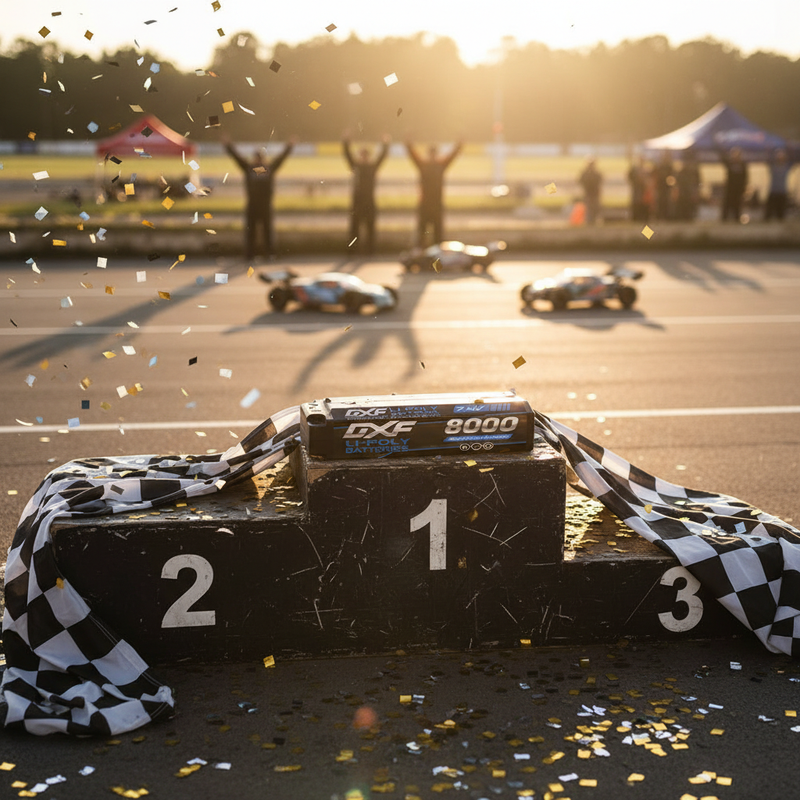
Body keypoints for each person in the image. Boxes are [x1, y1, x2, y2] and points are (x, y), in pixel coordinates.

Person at [223, 134, 295, 260]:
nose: (258, 161)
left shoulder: (264, 169)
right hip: (253, 204)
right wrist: (228, 145)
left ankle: (269, 253)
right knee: (251, 231)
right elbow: (236, 158)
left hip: (265, 204)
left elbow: (281, 159)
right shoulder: (251, 168)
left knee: (267, 231)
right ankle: (250, 254)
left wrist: (289, 146)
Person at [406, 139, 463, 246]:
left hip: (435, 204)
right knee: (423, 233)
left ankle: (435, 256)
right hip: (426, 204)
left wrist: (459, 144)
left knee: (437, 234)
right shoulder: (425, 165)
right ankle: (423, 253)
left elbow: (452, 156)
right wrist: (408, 144)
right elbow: (413, 155)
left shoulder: (437, 165)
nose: (432, 156)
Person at [342, 133, 390, 253]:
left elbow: (382, 157)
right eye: (362, 155)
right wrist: (346, 141)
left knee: (370, 228)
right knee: (354, 229)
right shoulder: (356, 166)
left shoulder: (372, 167)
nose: (364, 157)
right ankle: (352, 251)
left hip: (369, 201)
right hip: (357, 201)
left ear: (368, 156)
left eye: (365, 155)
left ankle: (370, 251)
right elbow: (347, 155)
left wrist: (386, 144)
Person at [720, 147, 748, 222]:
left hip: (738, 189)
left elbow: (745, 177)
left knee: (737, 204)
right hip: (730, 188)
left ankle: (736, 218)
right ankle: (724, 219)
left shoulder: (743, 165)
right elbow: (723, 158)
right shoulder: (729, 163)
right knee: (727, 204)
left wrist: (744, 188)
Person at [764, 148, 794, 221]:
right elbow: (768, 160)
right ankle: (767, 220)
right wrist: (769, 149)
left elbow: (793, 160)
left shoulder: (786, 166)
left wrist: (789, 146)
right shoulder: (773, 166)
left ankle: (780, 220)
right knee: (769, 209)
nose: (780, 158)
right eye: (778, 157)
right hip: (773, 190)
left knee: (781, 210)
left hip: (782, 190)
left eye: (782, 157)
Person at [675, 151, 701, 221]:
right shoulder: (684, 171)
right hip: (684, 191)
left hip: (688, 191)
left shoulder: (692, 171)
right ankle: (685, 217)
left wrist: (696, 190)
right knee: (684, 206)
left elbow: (698, 181)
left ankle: (687, 217)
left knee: (688, 206)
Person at [578, 158, 602, 225]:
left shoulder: (588, 173)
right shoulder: (594, 173)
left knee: (593, 207)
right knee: (590, 207)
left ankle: (592, 220)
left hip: (592, 193)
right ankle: (590, 220)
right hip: (590, 193)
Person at [627, 156, 651, 222]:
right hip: (637, 190)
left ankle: (642, 219)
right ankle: (636, 218)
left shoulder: (645, 170)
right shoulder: (636, 170)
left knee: (642, 204)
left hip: (643, 191)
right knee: (637, 203)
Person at [652, 152, 675, 220]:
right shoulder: (662, 166)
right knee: (661, 201)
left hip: (665, 187)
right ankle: (661, 215)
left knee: (665, 201)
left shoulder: (668, 166)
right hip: (661, 187)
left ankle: (664, 215)